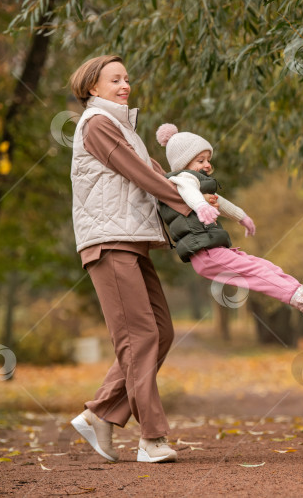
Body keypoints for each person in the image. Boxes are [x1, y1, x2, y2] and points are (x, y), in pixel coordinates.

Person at [66, 55, 204, 464]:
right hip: (108, 242)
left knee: (159, 331)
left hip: (131, 240)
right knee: (139, 337)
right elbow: (139, 174)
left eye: (127, 78)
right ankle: (152, 438)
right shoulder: (97, 124)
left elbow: (154, 172)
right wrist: (186, 204)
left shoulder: (124, 128)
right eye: (115, 79)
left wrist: (198, 194)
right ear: (93, 87)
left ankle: (102, 413)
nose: (125, 85)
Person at [154, 123, 303, 324]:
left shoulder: (201, 184)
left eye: (208, 159)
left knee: (266, 266)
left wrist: (241, 217)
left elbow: (222, 202)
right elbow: (189, 191)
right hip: (206, 255)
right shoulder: (183, 179)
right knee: (258, 273)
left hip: (213, 250)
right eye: (200, 160)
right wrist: (201, 206)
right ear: (183, 164)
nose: (208, 165)